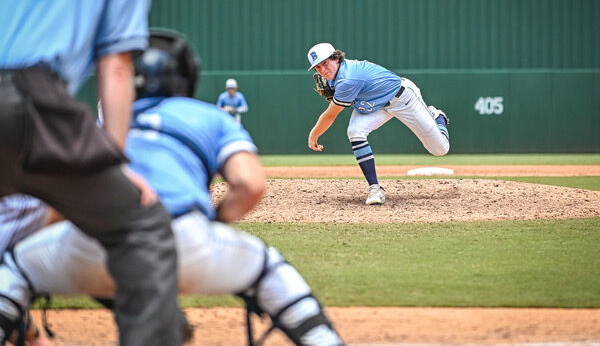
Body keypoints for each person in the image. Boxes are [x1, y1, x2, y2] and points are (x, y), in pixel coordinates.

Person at [2, 30, 346, 346]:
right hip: (184, 241)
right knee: (269, 269)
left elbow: (63, 201)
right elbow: (250, 185)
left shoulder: (104, 125)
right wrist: (214, 223)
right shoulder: (209, 116)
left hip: (90, 246)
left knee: (14, 269)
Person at [0, 0, 184, 345]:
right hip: (34, 101)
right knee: (140, 226)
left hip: (29, 103)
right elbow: (117, 69)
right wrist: (115, 160)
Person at [307, 42, 451, 205]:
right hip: (375, 105)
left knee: (440, 149)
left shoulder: (348, 79)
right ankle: (375, 188)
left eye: (325, 63)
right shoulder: (336, 78)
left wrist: (314, 135)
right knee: (355, 131)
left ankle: (438, 117)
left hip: (402, 99)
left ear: (336, 58)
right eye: (318, 67)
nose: (322, 70)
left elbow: (330, 115)